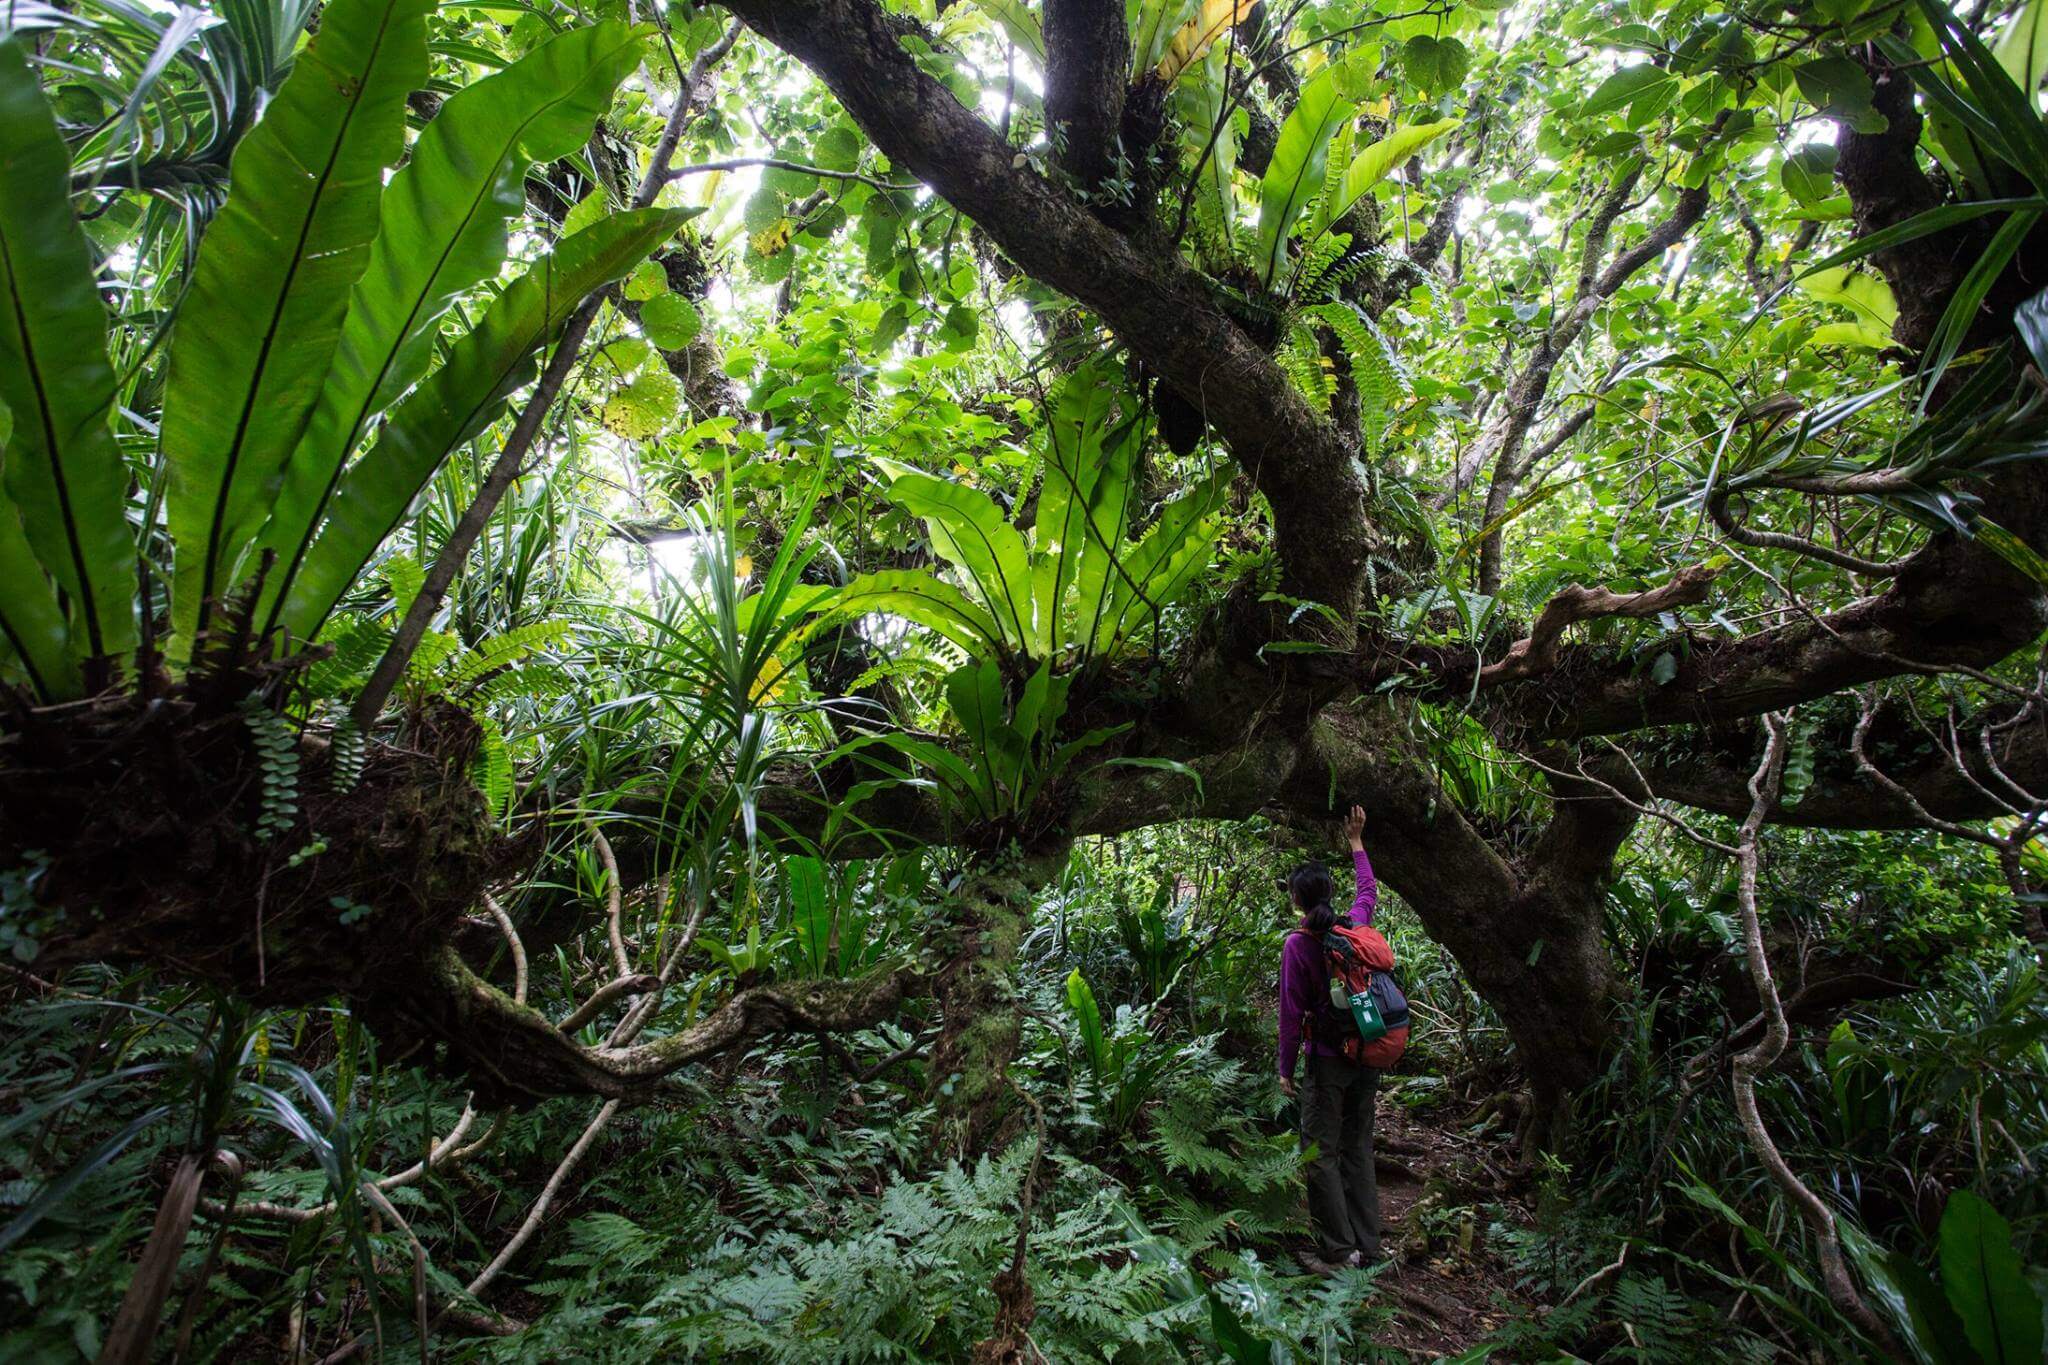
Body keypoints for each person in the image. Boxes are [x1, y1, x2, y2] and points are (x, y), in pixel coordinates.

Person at [1276, 804, 1382, 1270]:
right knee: (1357, 1146)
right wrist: (1356, 842)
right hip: (1367, 1053)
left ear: (1298, 901)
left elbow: (1289, 1014)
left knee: (1319, 1152)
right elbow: (1369, 891)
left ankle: (1339, 1252)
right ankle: (1369, 1245)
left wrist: (1285, 1069)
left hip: (1327, 1058)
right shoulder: (1353, 927)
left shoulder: (1299, 945)